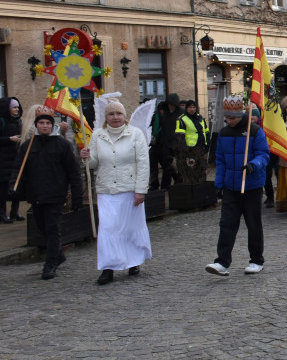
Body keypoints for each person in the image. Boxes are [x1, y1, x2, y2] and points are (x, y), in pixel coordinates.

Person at [81, 100, 151, 285]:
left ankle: (133, 261)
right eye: (111, 114)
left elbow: (143, 164)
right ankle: (108, 267)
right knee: (108, 228)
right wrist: (87, 158)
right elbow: (94, 164)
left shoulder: (135, 134)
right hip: (106, 190)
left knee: (129, 228)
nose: (115, 117)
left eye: (119, 114)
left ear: (124, 116)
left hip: (129, 189)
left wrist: (140, 190)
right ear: (106, 117)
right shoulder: (98, 135)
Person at [8, 109, 84, 280]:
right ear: (36, 125)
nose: (45, 126)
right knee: (42, 227)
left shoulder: (62, 145)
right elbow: (18, 169)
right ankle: (59, 255)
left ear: (52, 125)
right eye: (41, 123)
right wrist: (14, 185)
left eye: (48, 123)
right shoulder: (28, 146)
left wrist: (77, 195)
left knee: (52, 228)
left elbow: (73, 172)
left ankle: (50, 264)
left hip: (55, 194)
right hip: (35, 194)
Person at [206, 95, 270, 277]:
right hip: (231, 187)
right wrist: (219, 184)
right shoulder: (224, 133)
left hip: (251, 185)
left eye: (232, 118)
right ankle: (222, 262)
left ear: (241, 115)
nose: (229, 120)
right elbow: (220, 160)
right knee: (227, 224)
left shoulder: (255, 131)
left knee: (253, 224)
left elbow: (264, 154)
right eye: (227, 118)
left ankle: (256, 260)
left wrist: (253, 165)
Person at [150, 93, 182, 190]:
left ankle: (177, 181)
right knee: (167, 165)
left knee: (174, 166)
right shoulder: (164, 114)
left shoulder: (181, 113)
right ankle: (167, 185)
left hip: (177, 142)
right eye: (169, 104)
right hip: (165, 143)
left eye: (172, 104)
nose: (170, 106)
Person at [0, 97, 24, 223]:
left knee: (16, 185)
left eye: (17, 107)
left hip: (15, 157)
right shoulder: (2, 121)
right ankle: (2, 213)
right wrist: (10, 139)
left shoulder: (18, 120)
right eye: (14, 107)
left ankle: (15, 211)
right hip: (3, 159)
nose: (17, 109)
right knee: (3, 188)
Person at [174, 99, 210, 183]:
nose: (192, 109)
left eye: (194, 107)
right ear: (186, 108)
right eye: (190, 107)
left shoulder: (200, 118)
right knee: (190, 170)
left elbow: (206, 131)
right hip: (190, 149)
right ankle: (191, 188)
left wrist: (207, 143)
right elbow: (180, 136)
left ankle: (201, 186)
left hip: (201, 148)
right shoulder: (182, 119)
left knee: (201, 169)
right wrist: (185, 149)